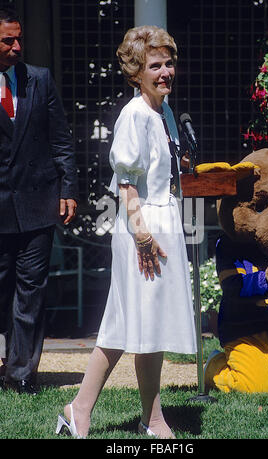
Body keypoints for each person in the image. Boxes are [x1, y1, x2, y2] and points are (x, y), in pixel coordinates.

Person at [56, 25, 196, 439]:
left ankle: (148, 419)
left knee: (145, 326)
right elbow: (126, 182)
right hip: (142, 227)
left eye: (169, 63)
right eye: (156, 65)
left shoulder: (164, 111)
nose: (165, 71)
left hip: (163, 222)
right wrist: (142, 235)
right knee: (123, 325)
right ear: (137, 72)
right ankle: (82, 409)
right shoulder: (134, 114)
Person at [0, 9, 78, 394]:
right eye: (7, 41)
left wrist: (68, 190)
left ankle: (20, 375)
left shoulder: (40, 79)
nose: (16, 48)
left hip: (37, 202)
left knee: (31, 290)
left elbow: (60, 138)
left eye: (19, 40)